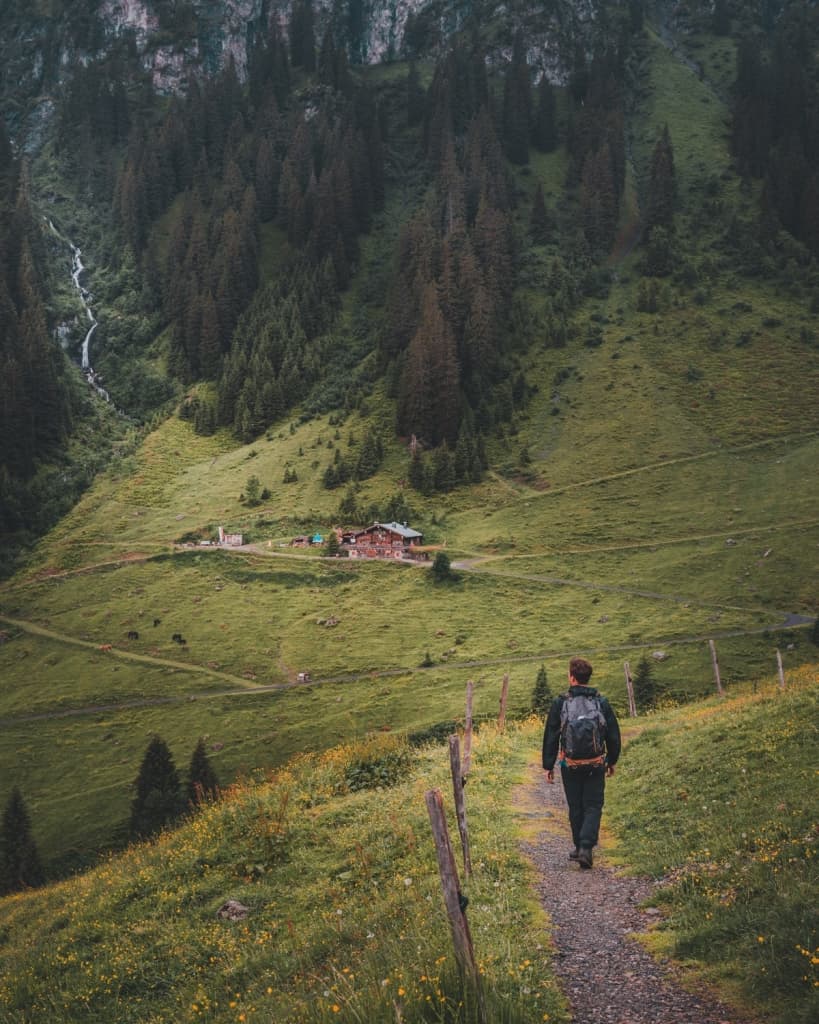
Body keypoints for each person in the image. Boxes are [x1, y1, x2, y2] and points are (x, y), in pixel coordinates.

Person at [542, 656, 621, 869]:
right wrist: (612, 760)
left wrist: (548, 765)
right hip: (596, 763)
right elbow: (613, 734)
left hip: (570, 764)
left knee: (575, 805)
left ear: (572, 677)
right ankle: (585, 848)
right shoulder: (601, 702)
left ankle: (580, 846)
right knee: (593, 805)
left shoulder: (561, 703)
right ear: (588, 677)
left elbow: (551, 735)